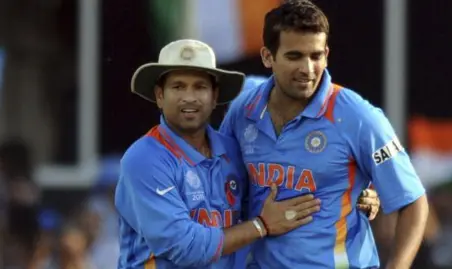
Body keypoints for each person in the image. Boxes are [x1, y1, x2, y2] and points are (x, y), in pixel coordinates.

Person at [115, 39, 380, 268]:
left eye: (200, 87)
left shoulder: (233, 149)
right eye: (178, 87)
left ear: (215, 95)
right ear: (159, 95)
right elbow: (187, 248)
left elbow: (288, 187)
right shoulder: (144, 159)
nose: (189, 97)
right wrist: (261, 226)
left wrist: (354, 193)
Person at [219, 1, 429, 268]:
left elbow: (413, 201)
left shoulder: (358, 117)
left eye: (316, 56)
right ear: (267, 56)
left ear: (327, 54)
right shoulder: (243, 109)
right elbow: (223, 183)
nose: (307, 69)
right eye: (294, 56)